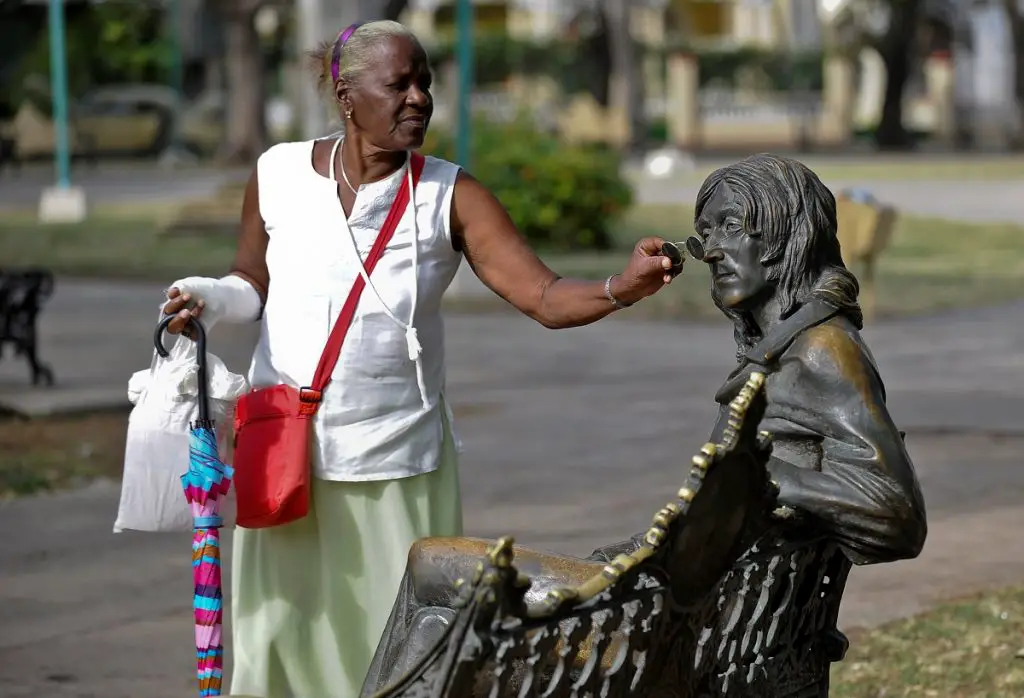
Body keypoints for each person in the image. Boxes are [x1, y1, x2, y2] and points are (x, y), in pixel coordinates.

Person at [160, 19, 679, 698]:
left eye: (425, 83)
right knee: (280, 644)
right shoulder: (279, 173)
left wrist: (621, 287)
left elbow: (544, 295)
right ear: (348, 96)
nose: (418, 99)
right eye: (398, 84)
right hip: (284, 459)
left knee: (397, 651)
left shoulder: (450, 195)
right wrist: (204, 297)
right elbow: (250, 285)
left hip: (396, 463)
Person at [359, 153, 927, 696]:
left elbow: (898, 514)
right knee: (438, 618)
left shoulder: (822, 350)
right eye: (708, 234)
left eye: (732, 227)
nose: (712, 251)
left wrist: (762, 479)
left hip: (678, 627)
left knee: (433, 566)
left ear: (786, 235)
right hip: (674, 602)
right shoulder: (786, 352)